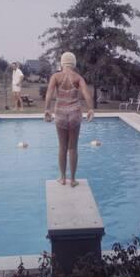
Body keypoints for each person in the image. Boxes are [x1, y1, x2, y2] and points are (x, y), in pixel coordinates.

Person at [44, 52, 94, 187]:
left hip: (60, 114)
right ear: (74, 63)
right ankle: (72, 179)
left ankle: (62, 178)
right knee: (73, 148)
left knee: (62, 147)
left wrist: (47, 110)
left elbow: (49, 93)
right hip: (75, 114)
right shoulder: (78, 77)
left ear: (62, 62)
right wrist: (90, 109)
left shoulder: (56, 76)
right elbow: (86, 94)